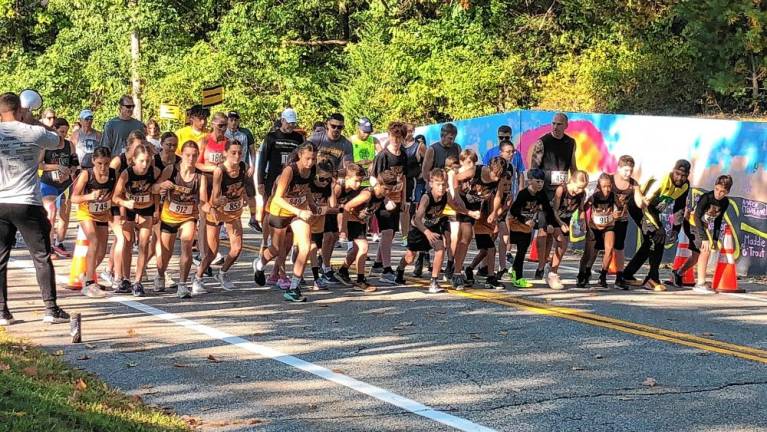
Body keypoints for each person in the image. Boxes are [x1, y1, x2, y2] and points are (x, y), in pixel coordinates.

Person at [0, 93, 70, 325]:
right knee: (41, 256)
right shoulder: (34, 131)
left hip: (1, 202)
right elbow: (59, 141)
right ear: (20, 109)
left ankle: (2, 312)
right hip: (28, 201)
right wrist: (32, 120)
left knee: (1, 258)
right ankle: (50, 309)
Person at [254, 144, 318, 302]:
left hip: (298, 211)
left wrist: (312, 204)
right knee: (276, 249)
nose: (310, 162)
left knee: (306, 246)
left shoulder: (312, 170)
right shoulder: (290, 170)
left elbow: (307, 187)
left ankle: (294, 287)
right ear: (300, 156)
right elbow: (277, 198)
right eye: (307, 158)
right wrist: (299, 211)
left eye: (313, 159)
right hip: (281, 211)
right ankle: (259, 264)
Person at [623, 160, 691, 291]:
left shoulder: (685, 186)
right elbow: (645, 205)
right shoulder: (661, 181)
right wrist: (659, 227)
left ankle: (627, 274)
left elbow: (679, 208)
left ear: (688, 175)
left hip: (652, 210)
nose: (680, 178)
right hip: (638, 206)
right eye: (677, 174)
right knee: (657, 239)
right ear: (673, 170)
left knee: (649, 243)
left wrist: (676, 229)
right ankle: (652, 279)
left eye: (683, 175)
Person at [530, 113, 578, 281]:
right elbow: (533, 169)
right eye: (553, 123)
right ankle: (541, 265)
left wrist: (575, 184)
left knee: (556, 231)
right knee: (544, 230)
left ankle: (551, 266)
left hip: (562, 193)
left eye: (559, 124)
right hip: (545, 191)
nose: (555, 127)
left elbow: (573, 166)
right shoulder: (542, 142)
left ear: (566, 125)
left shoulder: (571, 143)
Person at [194, 140, 246, 294]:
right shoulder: (220, 171)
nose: (237, 156)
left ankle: (222, 273)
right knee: (212, 252)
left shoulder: (243, 167)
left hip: (233, 212)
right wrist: (219, 201)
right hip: (216, 211)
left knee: (237, 249)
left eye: (239, 153)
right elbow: (215, 197)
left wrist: (253, 209)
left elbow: (246, 188)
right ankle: (197, 278)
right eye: (233, 153)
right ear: (225, 154)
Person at [155, 141, 205, 298]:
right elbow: (155, 188)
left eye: (194, 155)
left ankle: (183, 284)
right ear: (181, 155)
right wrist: (163, 185)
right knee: (165, 252)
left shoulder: (199, 176)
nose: (191, 158)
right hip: (169, 216)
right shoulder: (171, 170)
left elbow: (203, 200)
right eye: (188, 155)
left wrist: (206, 211)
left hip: (188, 216)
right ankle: (161, 274)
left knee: (187, 245)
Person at [337, 171, 399, 292]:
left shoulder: (382, 196)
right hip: (351, 221)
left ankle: (342, 271)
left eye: (390, 189)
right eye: (386, 189)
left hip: (360, 223)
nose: (388, 192)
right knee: (364, 247)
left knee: (355, 250)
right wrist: (343, 229)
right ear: (379, 184)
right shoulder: (367, 194)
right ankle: (360, 280)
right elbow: (347, 207)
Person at [256, 108, 305, 262]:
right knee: (269, 210)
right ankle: (266, 241)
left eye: (293, 123)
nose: (291, 126)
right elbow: (263, 159)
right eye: (288, 123)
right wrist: (260, 182)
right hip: (273, 178)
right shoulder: (271, 137)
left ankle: (285, 240)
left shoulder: (298, 138)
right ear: (282, 121)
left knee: (287, 210)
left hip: (291, 179)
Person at [113, 143, 161, 297]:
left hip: (146, 208)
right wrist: (125, 204)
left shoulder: (154, 172)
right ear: (133, 159)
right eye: (141, 161)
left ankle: (138, 281)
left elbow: (156, 192)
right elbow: (115, 196)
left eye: (147, 161)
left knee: (143, 244)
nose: (145, 164)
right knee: (127, 243)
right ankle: (126, 278)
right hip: (129, 209)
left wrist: (156, 210)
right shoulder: (126, 174)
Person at [674, 175, 733, 294]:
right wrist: (705, 238)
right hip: (691, 224)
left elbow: (718, 220)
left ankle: (677, 273)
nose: (718, 193)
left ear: (727, 192)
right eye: (717, 189)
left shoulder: (725, 202)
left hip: (702, 227)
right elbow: (696, 217)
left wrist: (715, 239)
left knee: (696, 257)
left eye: (722, 191)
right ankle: (700, 283)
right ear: (714, 187)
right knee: (705, 250)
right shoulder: (707, 197)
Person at [506, 169, 564, 288]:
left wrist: (549, 224)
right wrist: (524, 220)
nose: (540, 184)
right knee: (520, 251)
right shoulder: (523, 194)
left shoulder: (541, 194)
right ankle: (518, 277)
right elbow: (514, 210)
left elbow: (548, 210)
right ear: (530, 181)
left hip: (528, 227)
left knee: (522, 251)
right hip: (517, 224)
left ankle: (515, 272)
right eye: (537, 181)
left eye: (542, 182)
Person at [71, 146, 116, 297]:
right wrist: (89, 197)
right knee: (94, 241)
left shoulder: (113, 174)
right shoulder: (86, 174)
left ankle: (85, 274)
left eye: (106, 163)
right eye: (99, 164)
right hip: (86, 213)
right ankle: (89, 283)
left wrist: (112, 216)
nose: (103, 167)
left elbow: (113, 196)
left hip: (102, 214)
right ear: (93, 161)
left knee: (102, 251)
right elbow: (73, 198)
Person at [395, 168, 449, 293]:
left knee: (440, 248)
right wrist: (426, 232)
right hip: (418, 229)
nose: (441, 188)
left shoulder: (447, 196)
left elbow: (456, 206)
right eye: (438, 184)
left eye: (443, 185)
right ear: (431, 184)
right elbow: (418, 219)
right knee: (410, 257)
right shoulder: (426, 197)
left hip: (433, 227)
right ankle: (400, 269)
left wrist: (468, 212)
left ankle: (434, 281)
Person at [369, 122, 408, 285]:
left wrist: (404, 199)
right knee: (386, 232)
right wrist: (385, 198)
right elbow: (373, 178)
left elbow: (404, 177)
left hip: (397, 198)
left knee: (391, 234)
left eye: (399, 137)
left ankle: (378, 264)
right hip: (383, 199)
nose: (396, 140)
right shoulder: (383, 156)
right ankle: (386, 270)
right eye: (393, 137)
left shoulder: (403, 154)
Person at [318, 164, 366, 286]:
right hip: (326, 212)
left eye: (360, 181)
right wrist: (341, 211)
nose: (358, 184)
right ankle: (325, 267)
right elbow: (329, 204)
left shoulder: (354, 191)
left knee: (333, 238)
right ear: (347, 178)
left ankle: (324, 263)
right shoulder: (339, 187)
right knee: (329, 237)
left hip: (335, 214)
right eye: (356, 181)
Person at [40, 118, 79, 258]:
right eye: (61, 131)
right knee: (51, 211)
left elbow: (75, 162)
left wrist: (70, 170)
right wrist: (56, 167)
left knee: (65, 214)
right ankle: (49, 244)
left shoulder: (69, 145)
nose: (63, 134)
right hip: (49, 182)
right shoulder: (46, 145)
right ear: (54, 130)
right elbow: (39, 165)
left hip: (65, 184)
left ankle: (59, 241)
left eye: (65, 132)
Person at [148, 132, 181, 287]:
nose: (171, 148)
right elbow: (149, 186)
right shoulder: (154, 161)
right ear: (161, 144)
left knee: (157, 241)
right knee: (160, 241)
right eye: (168, 144)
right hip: (154, 204)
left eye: (174, 145)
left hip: (173, 206)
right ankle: (162, 274)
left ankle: (144, 266)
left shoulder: (180, 162)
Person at [547, 171, 588, 289]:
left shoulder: (581, 194)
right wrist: (560, 223)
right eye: (579, 187)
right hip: (554, 218)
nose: (580, 190)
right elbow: (554, 210)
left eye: (583, 188)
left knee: (563, 247)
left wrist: (581, 223)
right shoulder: (561, 190)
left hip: (566, 219)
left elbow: (581, 210)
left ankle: (551, 269)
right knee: (562, 243)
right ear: (572, 181)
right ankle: (551, 272)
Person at [577, 173, 617, 289]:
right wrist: (583, 221)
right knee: (589, 253)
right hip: (594, 227)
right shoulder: (594, 196)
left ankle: (603, 276)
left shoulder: (613, 196)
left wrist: (617, 213)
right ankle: (582, 274)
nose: (607, 189)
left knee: (609, 249)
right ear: (599, 187)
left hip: (609, 226)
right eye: (604, 186)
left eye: (609, 186)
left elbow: (620, 207)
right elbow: (583, 208)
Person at [610, 155, 644, 288]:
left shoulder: (634, 184)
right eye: (625, 170)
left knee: (619, 248)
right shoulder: (610, 179)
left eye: (630, 171)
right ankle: (587, 273)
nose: (628, 173)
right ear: (618, 168)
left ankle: (619, 277)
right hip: (606, 219)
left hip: (622, 220)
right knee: (599, 248)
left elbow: (639, 202)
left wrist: (644, 201)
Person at [308, 160, 339, 291]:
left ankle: (316, 278)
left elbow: (333, 206)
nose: (324, 182)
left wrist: (331, 186)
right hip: (306, 222)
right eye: (322, 178)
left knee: (313, 249)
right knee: (307, 249)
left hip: (318, 223)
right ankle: (302, 278)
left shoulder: (327, 186)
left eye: (328, 179)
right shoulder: (309, 185)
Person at [224, 111, 258, 231]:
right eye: (231, 120)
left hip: (244, 166)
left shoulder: (245, 133)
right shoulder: (224, 133)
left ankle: (253, 218)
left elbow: (251, 150)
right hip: (227, 168)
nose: (233, 122)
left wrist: (253, 165)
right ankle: (225, 221)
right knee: (228, 193)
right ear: (227, 120)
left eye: (235, 120)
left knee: (250, 192)